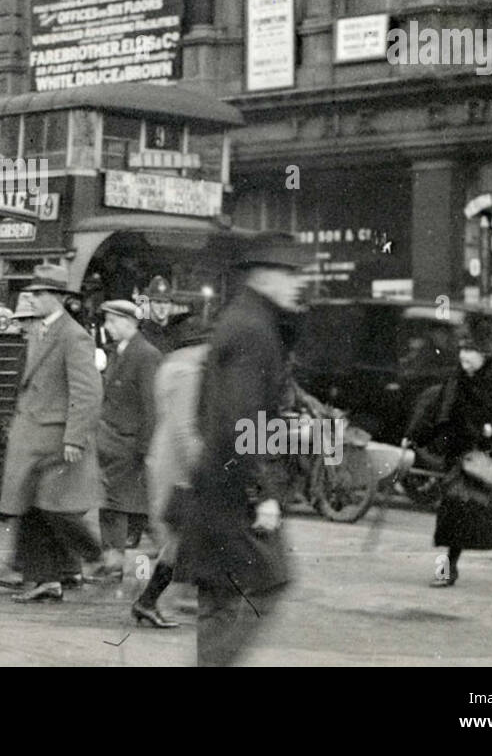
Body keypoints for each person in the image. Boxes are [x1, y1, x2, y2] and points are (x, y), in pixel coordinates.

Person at [177, 234, 303, 666]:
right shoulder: (255, 331)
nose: (296, 285)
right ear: (265, 277)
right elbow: (242, 420)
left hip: (213, 482)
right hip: (235, 492)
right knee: (270, 583)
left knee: (219, 600)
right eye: (289, 275)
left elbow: (207, 411)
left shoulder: (238, 320)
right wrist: (262, 493)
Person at [0, 265, 108, 603]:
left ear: (60, 298)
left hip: (53, 439)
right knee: (36, 508)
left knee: (46, 508)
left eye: (39, 294)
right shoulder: (42, 332)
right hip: (34, 436)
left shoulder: (74, 336)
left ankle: (89, 560)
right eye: (32, 293)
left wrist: (74, 438)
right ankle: (50, 579)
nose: (32, 299)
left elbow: (88, 393)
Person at [404, 321, 492, 587]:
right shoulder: (456, 381)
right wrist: (415, 436)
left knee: (485, 515)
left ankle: (462, 568)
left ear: (484, 354)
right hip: (459, 456)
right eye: (462, 349)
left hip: (486, 460)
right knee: (461, 512)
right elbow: (437, 413)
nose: (464, 356)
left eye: (470, 350)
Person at [131, 317, 211, 628]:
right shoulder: (190, 373)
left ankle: (157, 600)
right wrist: (197, 468)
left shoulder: (171, 365)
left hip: (163, 452)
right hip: (177, 461)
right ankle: (150, 601)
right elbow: (183, 428)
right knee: (181, 536)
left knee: (181, 536)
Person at [96, 299, 162, 578]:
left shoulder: (145, 354)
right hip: (113, 439)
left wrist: (145, 447)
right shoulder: (120, 351)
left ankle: (113, 562)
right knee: (122, 504)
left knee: (117, 504)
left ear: (129, 323)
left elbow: (151, 404)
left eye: (112, 321)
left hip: (128, 441)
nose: (107, 327)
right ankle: (114, 560)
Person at [139, 275, 177, 353]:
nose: (162, 307)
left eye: (166, 302)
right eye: (158, 302)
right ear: (150, 303)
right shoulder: (142, 333)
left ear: (171, 305)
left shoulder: (176, 332)